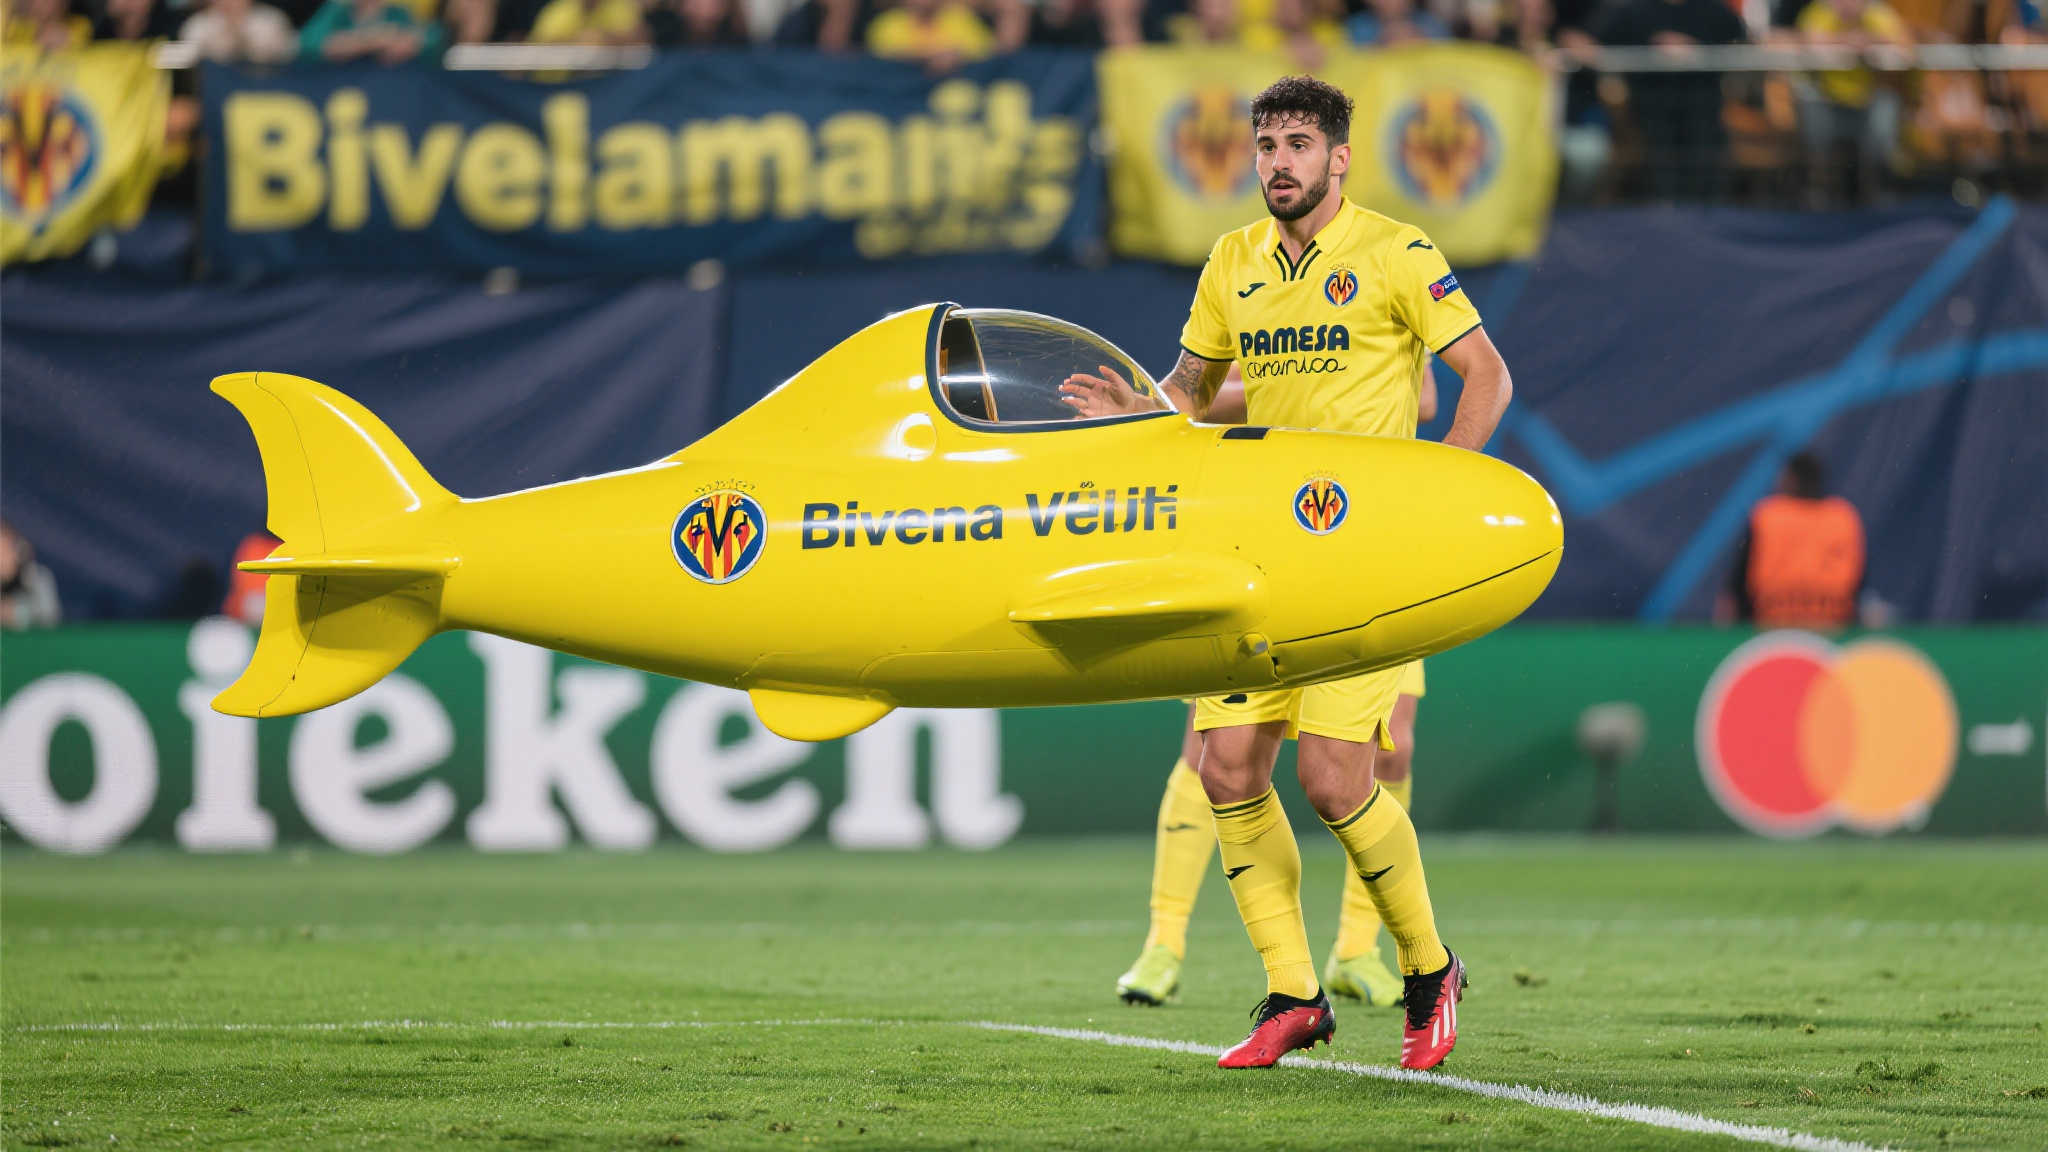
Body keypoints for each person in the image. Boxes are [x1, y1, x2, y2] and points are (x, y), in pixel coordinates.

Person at [1060, 75, 1512, 1072]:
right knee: (1225, 766)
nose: (1277, 162)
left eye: (1298, 144)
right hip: (1257, 553)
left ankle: (1428, 969)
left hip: (1363, 557)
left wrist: (1446, 489)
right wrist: (1134, 414)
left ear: (1338, 158)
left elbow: (1485, 373)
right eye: (1265, 145)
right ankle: (1293, 995)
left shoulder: (1397, 252)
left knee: (1333, 779)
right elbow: (1188, 392)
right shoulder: (1232, 261)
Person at [1115, 365, 1439, 1015]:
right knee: (1213, 752)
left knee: (1391, 750)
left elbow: (1425, 396)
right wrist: (1280, 395)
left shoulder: (1386, 298)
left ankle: (1357, 950)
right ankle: (1164, 943)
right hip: (1260, 527)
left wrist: (1288, 396)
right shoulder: (1247, 302)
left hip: (1365, 537)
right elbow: (1193, 395)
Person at [1719, 451, 1867, 629]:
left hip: (1770, 627)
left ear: (1791, 480)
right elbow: (1859, 585)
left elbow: (1736, 589)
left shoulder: (1768, 516)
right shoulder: (1843, 517)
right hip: (1832, 628)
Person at [299, 0, 443, 62]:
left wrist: (412, 43)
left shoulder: (398, 14)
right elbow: (307, 44)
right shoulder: (337, 11)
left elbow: (432, 40)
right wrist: (370, 41)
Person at [0, 518, 62, 630]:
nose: (2, 559)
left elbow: (50, 616)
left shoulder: (37, 577)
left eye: (4, 550)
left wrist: (17, 613)